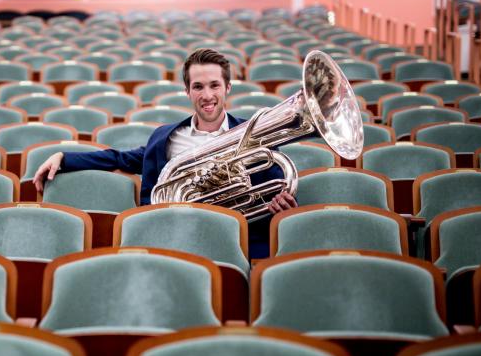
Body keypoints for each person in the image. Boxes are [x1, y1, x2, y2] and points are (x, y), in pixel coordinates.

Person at [32, 48, 297, 258]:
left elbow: (275, 191)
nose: (207, 95)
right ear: (187, 91)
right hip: (174, 238)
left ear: (228, 88)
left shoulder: (255, 135)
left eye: (214, 85)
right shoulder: (166, 138)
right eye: (198, 87)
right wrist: (64, 158)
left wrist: (279, 206)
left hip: (236, 243)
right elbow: (119, 159)